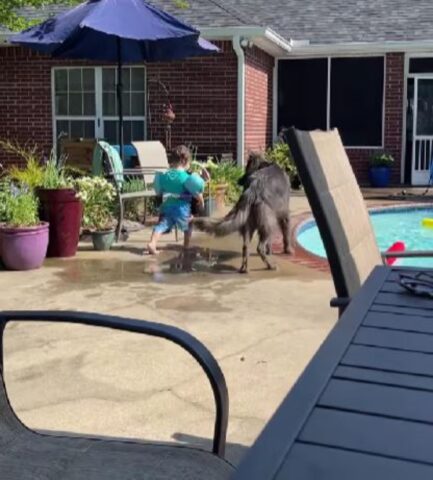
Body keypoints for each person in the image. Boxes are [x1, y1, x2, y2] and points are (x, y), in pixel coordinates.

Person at [147, 145, 205, 255]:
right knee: (188, 224)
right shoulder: (186, 177)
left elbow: (158, 191)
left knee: (162, 225)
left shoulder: (165, 176)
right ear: (184, 160)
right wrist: (201, 201)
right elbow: (196, 194)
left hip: (167, 207)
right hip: (182, 209)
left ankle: (152, 243)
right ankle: (186, 246)